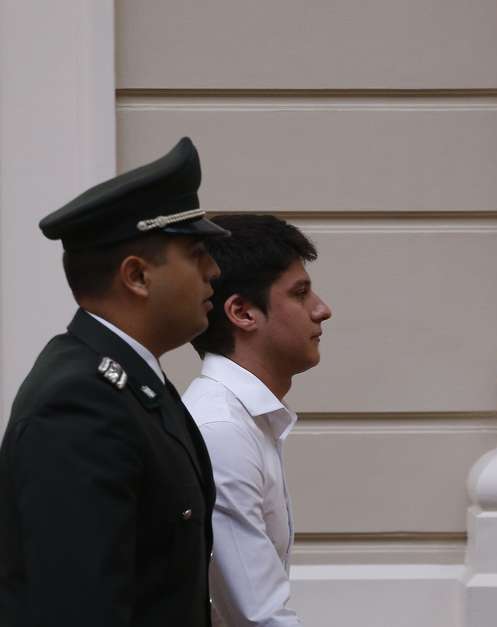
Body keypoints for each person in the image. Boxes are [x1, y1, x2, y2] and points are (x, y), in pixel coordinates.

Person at [0, 137, 230, 626]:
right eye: (196, 253)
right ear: (137, 277)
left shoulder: (132, 383)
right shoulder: (80, 402)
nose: (214, 271)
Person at [182, 214, 332, 626]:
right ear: (242, 312)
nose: (322, 310)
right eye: (300, 294)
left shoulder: (242, 419)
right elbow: (257, 616)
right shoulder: (221, 429)